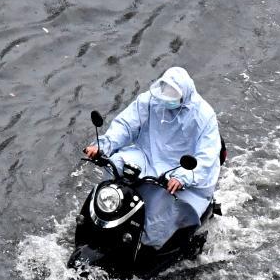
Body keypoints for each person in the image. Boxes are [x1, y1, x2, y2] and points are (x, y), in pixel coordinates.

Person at [84, 66, 221, 249]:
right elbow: (125, 125)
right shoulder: (150, 101)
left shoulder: (204, 115)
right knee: (117, 163)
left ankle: (149, 247)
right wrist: (102, 146)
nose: (167, 99)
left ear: (184, 94)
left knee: (160, 210)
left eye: (173, 95)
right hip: (147, 154)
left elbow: (207, 155)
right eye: (166, 92)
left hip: (179, 167)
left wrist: (183, 177)